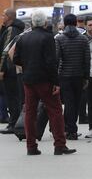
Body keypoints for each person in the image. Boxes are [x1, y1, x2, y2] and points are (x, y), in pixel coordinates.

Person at [13, 10, 76, 156]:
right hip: (45, 80)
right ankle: (59, 145)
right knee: (55, 111)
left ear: (32, 23)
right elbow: (51, 62)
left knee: (30, 112)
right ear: (45, 22)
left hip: (28, 80)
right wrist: (56, 82)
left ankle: (31, 146)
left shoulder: (23, 38)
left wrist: (27, 64)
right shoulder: (48, 37)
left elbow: (15, 59)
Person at [55, 13, 90, 140]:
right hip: (79, 76)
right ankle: (72, 129)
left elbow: (57, 58)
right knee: (76, 103)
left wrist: (56, 76)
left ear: (64, 24)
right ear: (76, 23)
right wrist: (86, 77)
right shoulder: (83, 39)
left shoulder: (59, 39)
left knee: (69, 103)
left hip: (64, 75)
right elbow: (87, 60)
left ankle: (69, 129)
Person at [0, 8, 25, 134]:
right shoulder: (16, 29)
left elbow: (5, 51)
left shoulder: (11, 30)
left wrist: (1, 69)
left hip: (9, 69)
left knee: (12, 97)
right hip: (14, 69)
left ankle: (13, 123)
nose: (2, 17)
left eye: (3, 15)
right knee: (15, 96)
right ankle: (15, 122)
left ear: (9, 17)